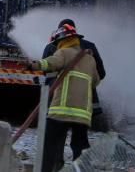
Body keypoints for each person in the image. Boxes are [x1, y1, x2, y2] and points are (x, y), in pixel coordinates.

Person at [29, 23, 100, 172]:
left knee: (49, 145)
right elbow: (96, 81)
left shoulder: (63, 53)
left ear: (62, 40)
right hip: (82, 115)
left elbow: (49, 63)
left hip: (61, 110)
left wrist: (33, 65)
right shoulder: (90, 59)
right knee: (79, 147)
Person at [41, 18, 107, 131]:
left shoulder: (51, 47)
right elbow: (101, 73)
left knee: (56, 138)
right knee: (79, 141)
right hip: (82, 105)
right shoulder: (89, 46)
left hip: (57, 102)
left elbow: (45, 71)